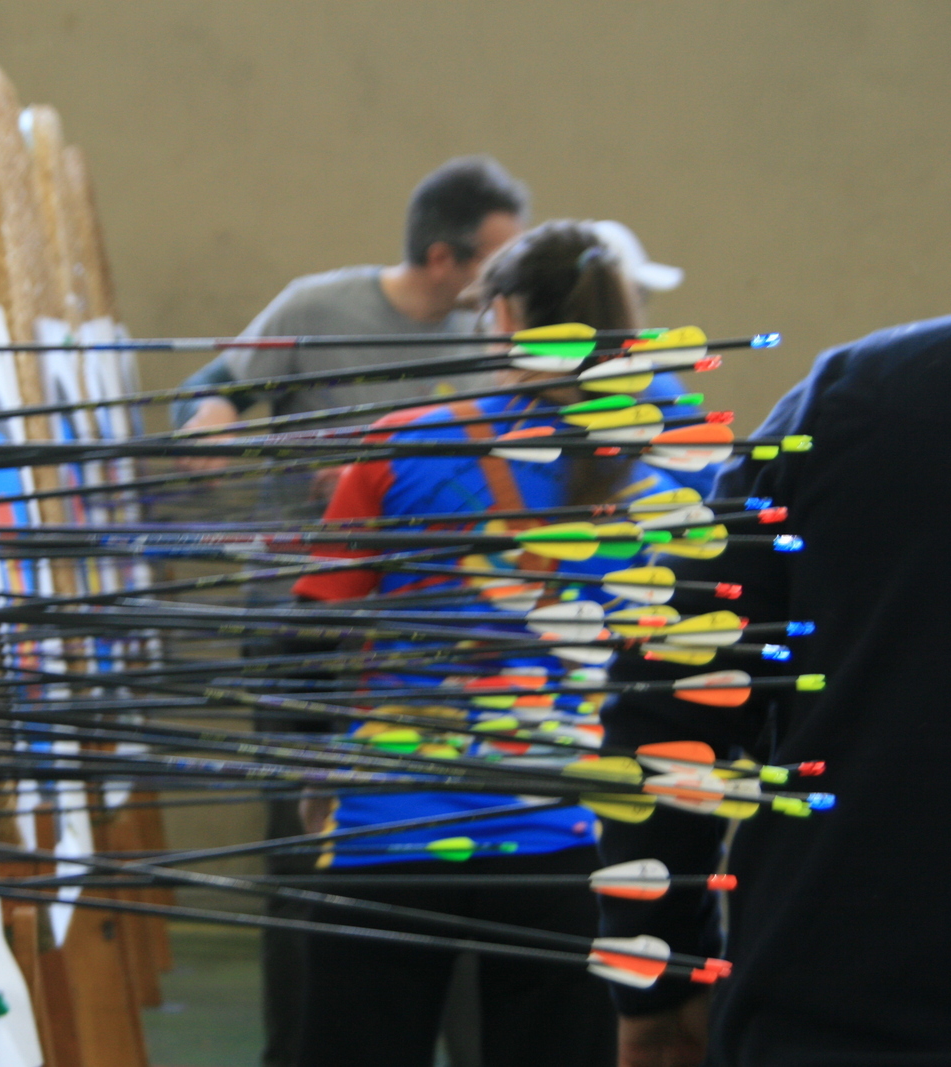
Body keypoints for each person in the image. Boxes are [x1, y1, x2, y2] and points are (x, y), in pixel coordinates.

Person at [286, 220, 695, 1067]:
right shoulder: (662, 475)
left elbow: (308, 635)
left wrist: (313, 767)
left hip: (389, 830)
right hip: (566, 842)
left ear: (504, 316)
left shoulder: (403, 440)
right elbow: (672, 666)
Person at [596, 300, 951, 1066]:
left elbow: (668, 686)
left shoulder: (862, 393)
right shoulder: (854, 396)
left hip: (840, 1009)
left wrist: (660, 977)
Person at [170, 155, 529, 441]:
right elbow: (202, 390)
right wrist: (212, 412)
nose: (509, 279)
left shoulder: (491, 335)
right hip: (312, 512)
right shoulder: (312, 307)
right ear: (441, 259)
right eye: (497, 263)